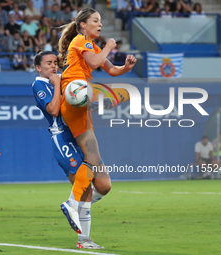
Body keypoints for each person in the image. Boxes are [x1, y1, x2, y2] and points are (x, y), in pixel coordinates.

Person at [57, 8, 136, 247]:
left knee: (103, 184)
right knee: (92, 158)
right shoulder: (81, 40)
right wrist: (109, 46)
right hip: (74, 96)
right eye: (95, 20)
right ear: (83, 25)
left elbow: (111, 69)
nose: (100, 24)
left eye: (101, 21)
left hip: (83, 104)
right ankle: (72, 205)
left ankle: (81, 220)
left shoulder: (90, 46)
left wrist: (126, 68)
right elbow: (94, 62)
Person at [32, 51, 104, 249]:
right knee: (86, 190)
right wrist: (56, 85)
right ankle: (84, 239)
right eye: (48, 63)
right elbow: (54, 110)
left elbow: (74, 102)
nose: (54, 66)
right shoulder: (40, 84)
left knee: (104, 186)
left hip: (80, 134)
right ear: (38, 68)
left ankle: (74, 203)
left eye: (55, 62)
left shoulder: (64, 80)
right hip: (63, 138)